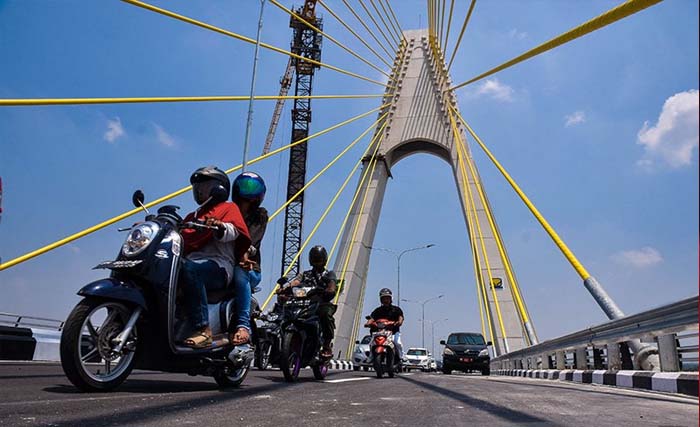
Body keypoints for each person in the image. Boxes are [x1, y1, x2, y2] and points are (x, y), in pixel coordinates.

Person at [180, 166, 251, 349]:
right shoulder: (193, 216)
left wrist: (219, 226)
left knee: (190, 269)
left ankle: (204, 330)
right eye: (197, 186)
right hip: (189, 262)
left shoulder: (228, 208)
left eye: (205, 185)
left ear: (219, 188)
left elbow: (233, 231)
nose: (199, 190)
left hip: (218, 265)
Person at [278, 246, 337, 358]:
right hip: (306, 303)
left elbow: (332, 285)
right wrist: (285, 288)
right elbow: (295, 282)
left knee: (325, 315)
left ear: (324, 260)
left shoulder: (329, 274)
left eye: (319, 260)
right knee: (287, 311)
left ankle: (326, 345)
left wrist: (329, 290)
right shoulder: (305, 274)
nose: (317, 262)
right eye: (315, 260)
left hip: (321, 303)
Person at [369, 288, 404, 359]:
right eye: (384, 299)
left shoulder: (396, 309)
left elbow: (400, 317)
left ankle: (401, 357)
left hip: (393, 332)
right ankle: (371, 356)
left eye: (387, 298)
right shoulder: (377, 310)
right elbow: (372, 318)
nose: (386, 300)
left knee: (398, 343)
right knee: (371, 343)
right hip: (379, 332)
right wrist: (368, 323)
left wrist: (399, 322)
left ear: (391, 299)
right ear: (381, 300)